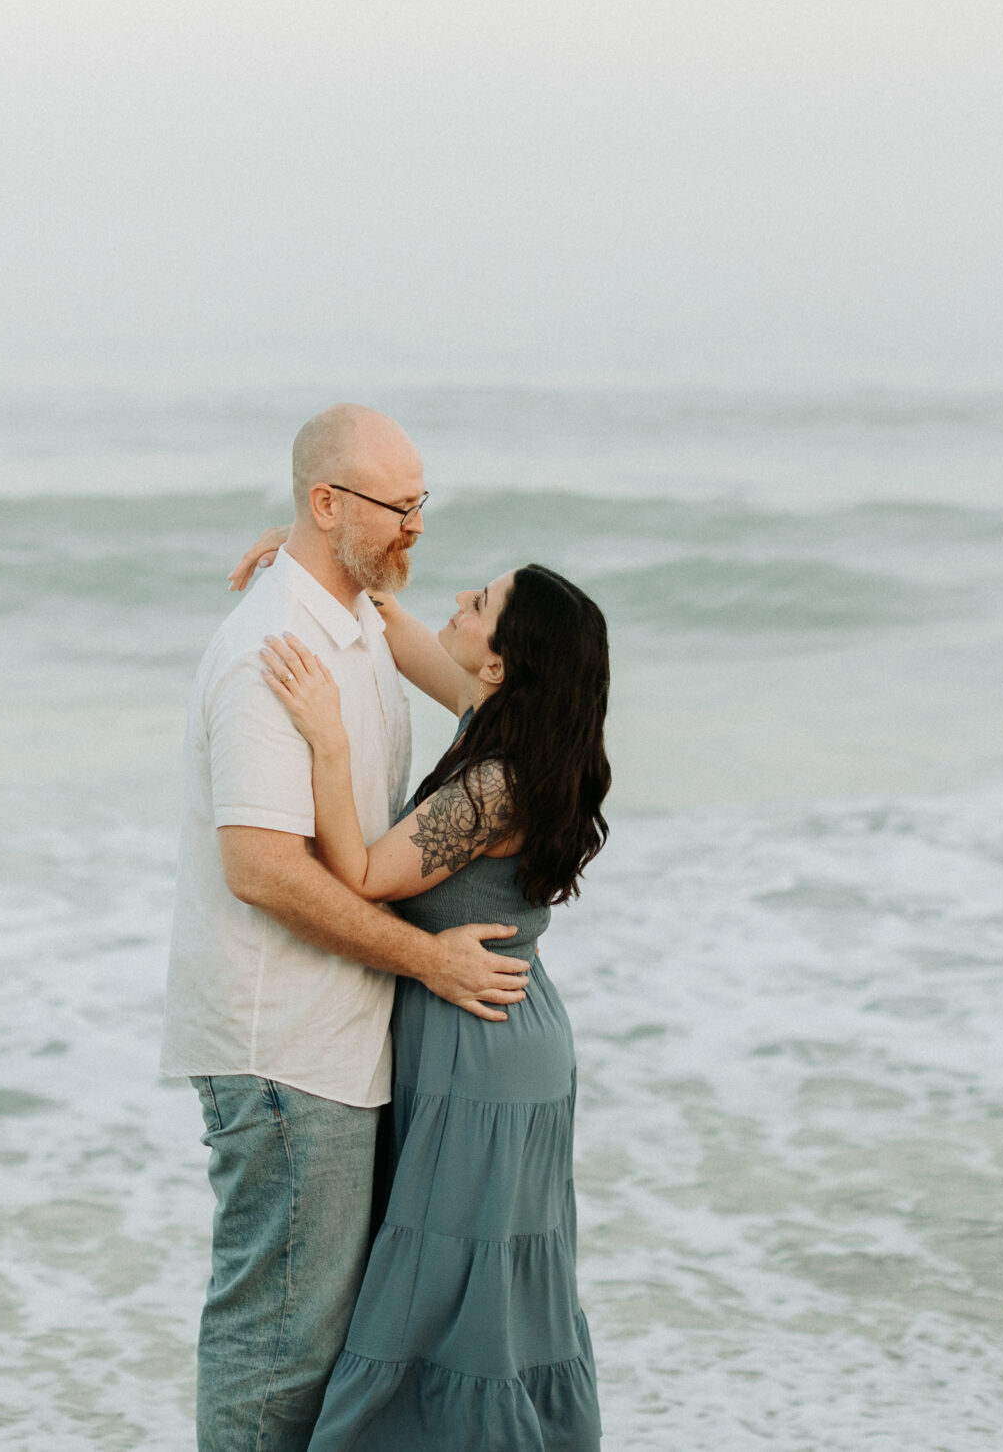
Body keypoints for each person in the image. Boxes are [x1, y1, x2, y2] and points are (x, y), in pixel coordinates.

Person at [161, 403, 535, 1452]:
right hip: (283, 1049)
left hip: (338, 1039)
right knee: (277, 1339)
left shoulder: (355, 614)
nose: (417, 527)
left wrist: (301, 549)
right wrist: (428, 960)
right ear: (329, 504)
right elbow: (264, 872)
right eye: (396, 507)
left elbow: (506, 693)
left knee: (321, 1339)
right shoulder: (269, 652)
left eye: (423, 503)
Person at [243, 543, 613, 1451]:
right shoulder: (503, 720)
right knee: (481, 1289)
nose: (457, 596)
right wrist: (326, 559)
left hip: (480, 1047)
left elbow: (363, 873)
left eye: (480, 602)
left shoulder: (494, 784)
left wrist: (328, 735)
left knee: (456, 1293)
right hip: (506, 1033)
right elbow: (405, 634)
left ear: (498, 661)